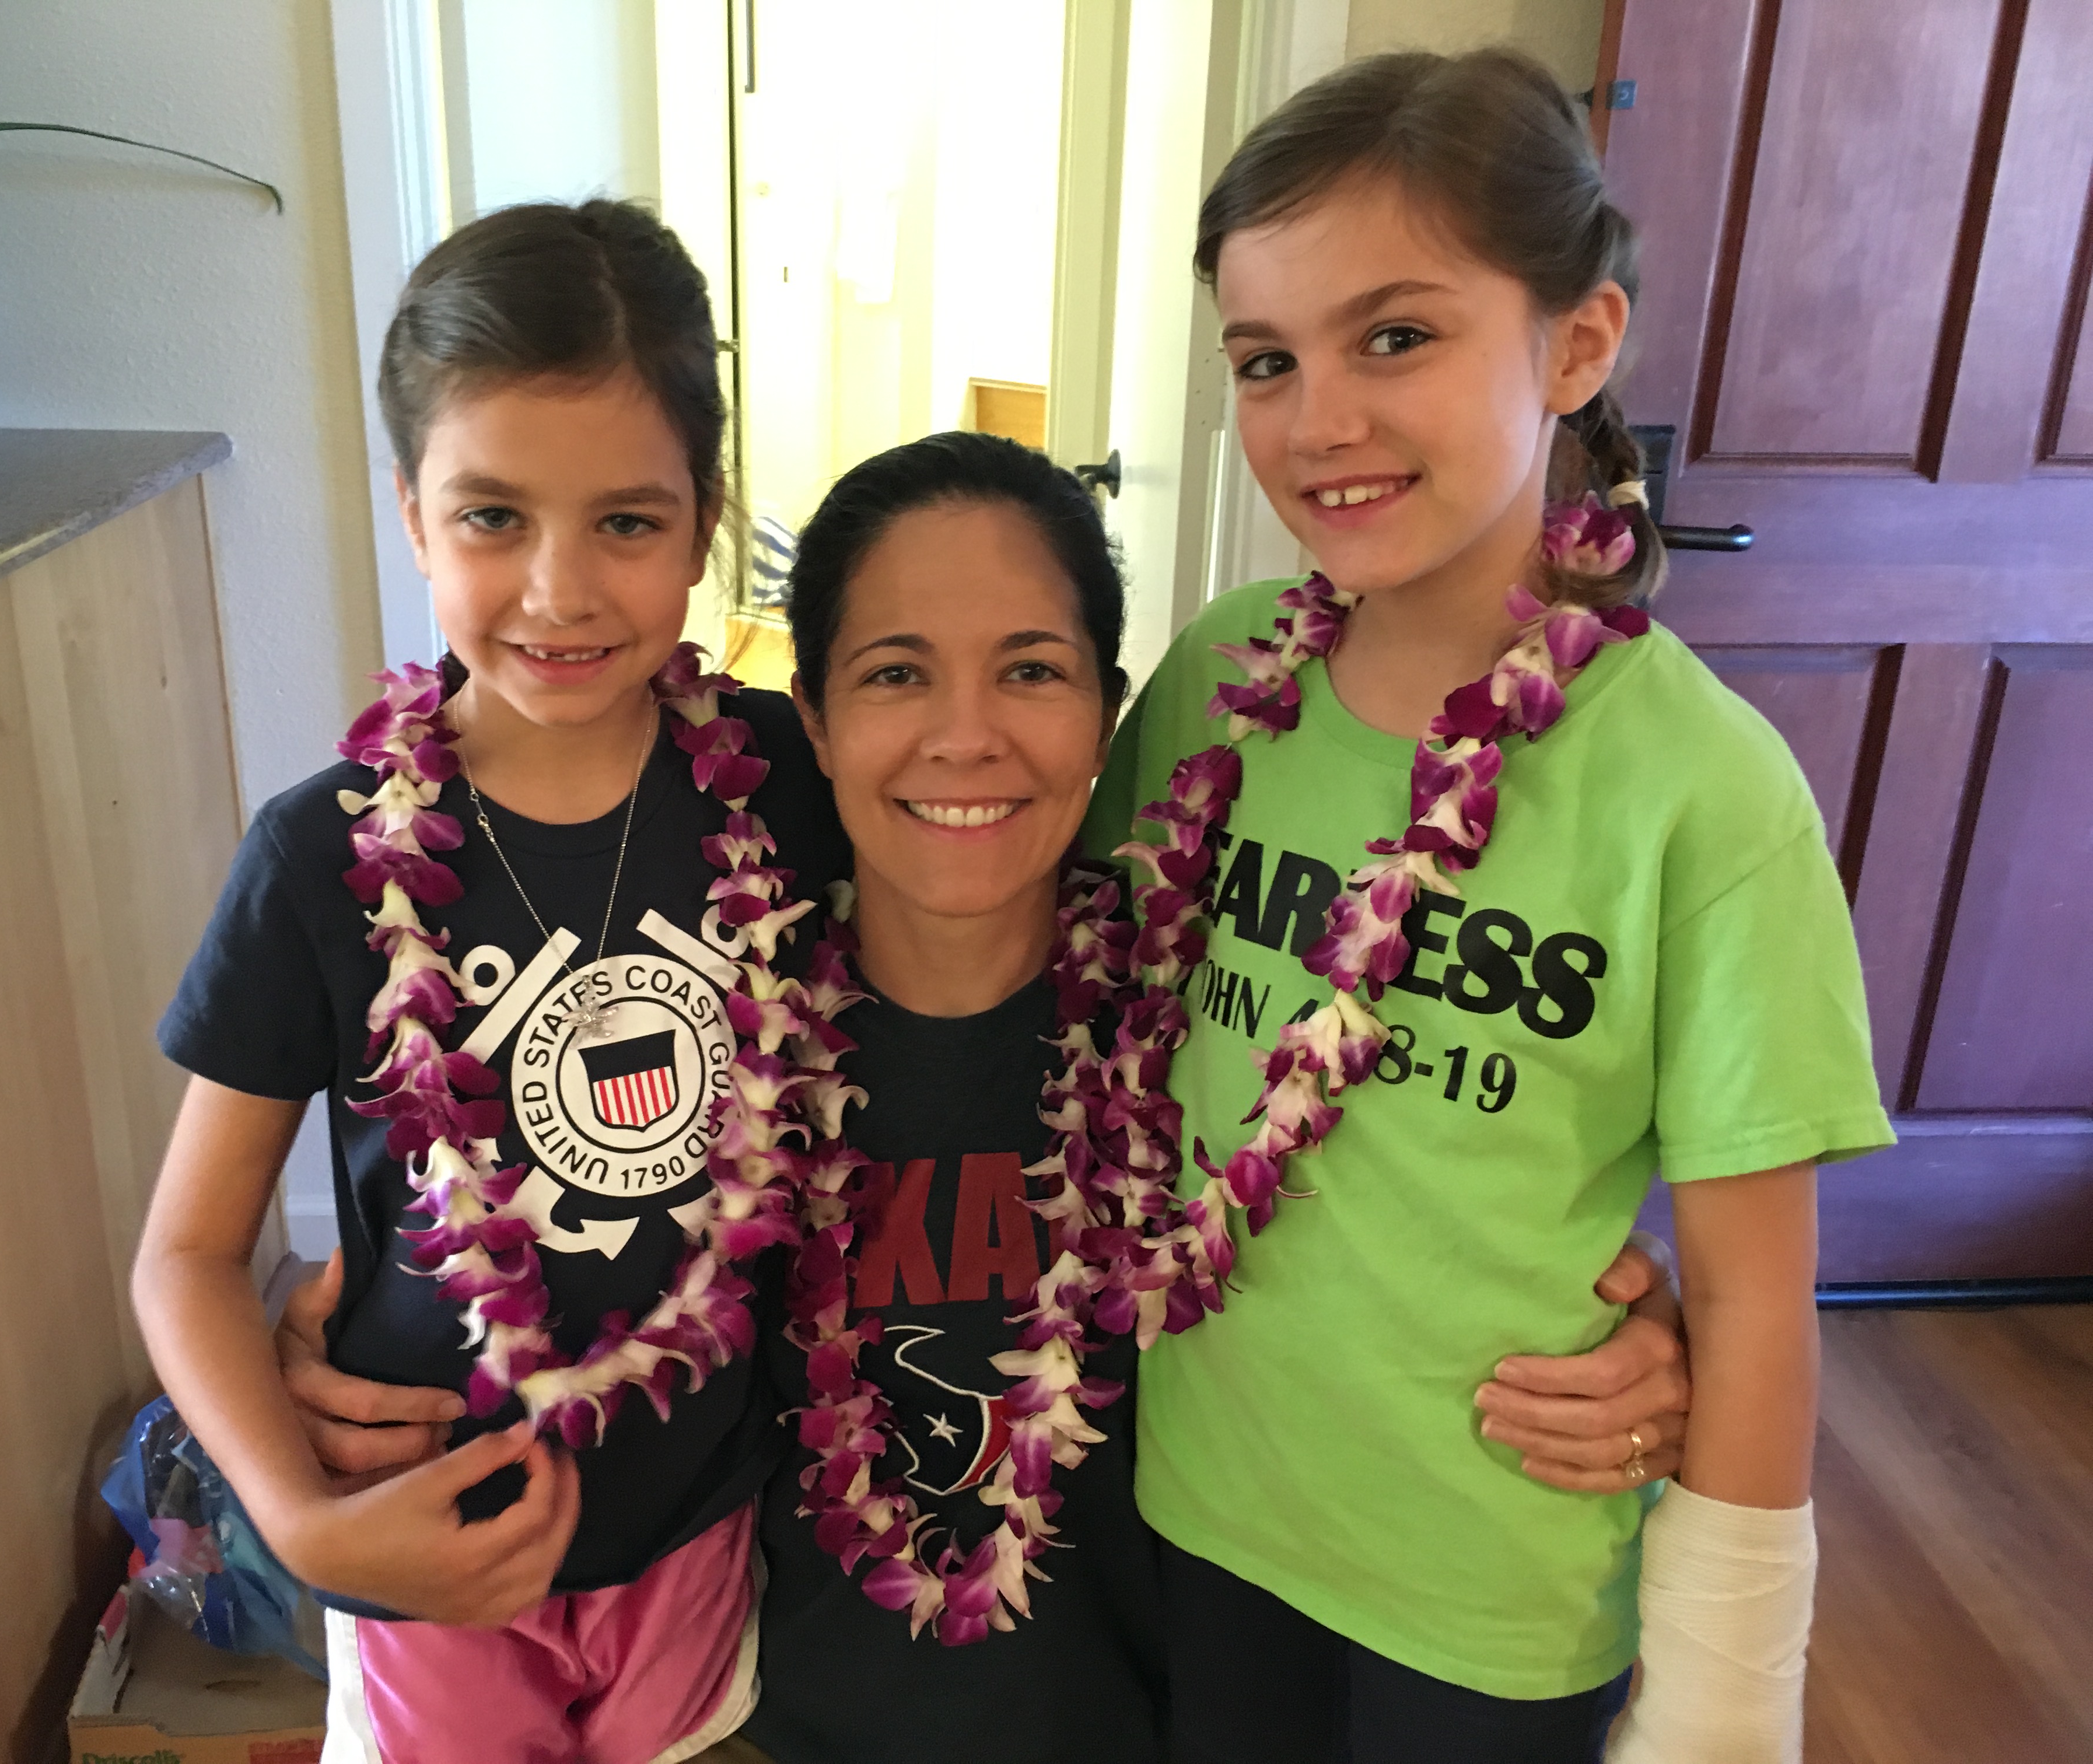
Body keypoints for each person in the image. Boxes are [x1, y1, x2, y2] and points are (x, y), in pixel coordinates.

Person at [272, 431, 1695, 1764]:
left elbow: (1420, 1207)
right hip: (758, 1732)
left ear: (1107, 712)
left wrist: (1617, 1321)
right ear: (811, 718)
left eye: (1031, 670)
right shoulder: (724, 1038)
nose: (967, 737)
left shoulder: (1203, 1022)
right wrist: (337, 1373)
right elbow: (546, 1268)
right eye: (896, 673)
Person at [1080, 48, 1894, 1764]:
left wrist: (1723, 1708)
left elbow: (1757, 1301)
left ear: (1577, 345)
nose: (1320, 420)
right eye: (1265, 360)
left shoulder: (1707, 795)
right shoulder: (1218, 682)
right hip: (1206, 1502)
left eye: (1395, 336)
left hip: (1494, 1582)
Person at [131, 200, 848, 1764]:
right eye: (493, 518)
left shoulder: (790, 784)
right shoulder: (319, 857)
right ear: (412, 514)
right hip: (425, 1536)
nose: (559, 591)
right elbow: (184, 1255)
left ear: (707, 522)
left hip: (694, 1529)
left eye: (628, 522)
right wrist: (299, 1520)